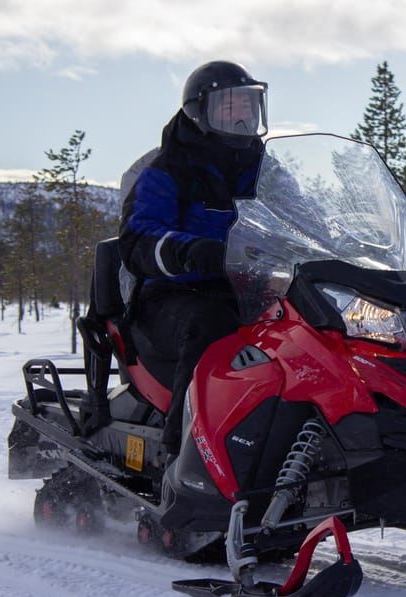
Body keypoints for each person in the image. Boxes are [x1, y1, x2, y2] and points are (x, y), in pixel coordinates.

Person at [117, 60, 268, 456]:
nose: (241, 118)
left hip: (250, 290)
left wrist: (345, 244)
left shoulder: (266, 171)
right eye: (230, 107)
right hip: (172, 295)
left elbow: (306, 218)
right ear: (200, 112)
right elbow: (137, 238)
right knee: (213, 326)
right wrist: (189, 250)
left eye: (249, 106)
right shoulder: (168, 168)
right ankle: (183, 453)